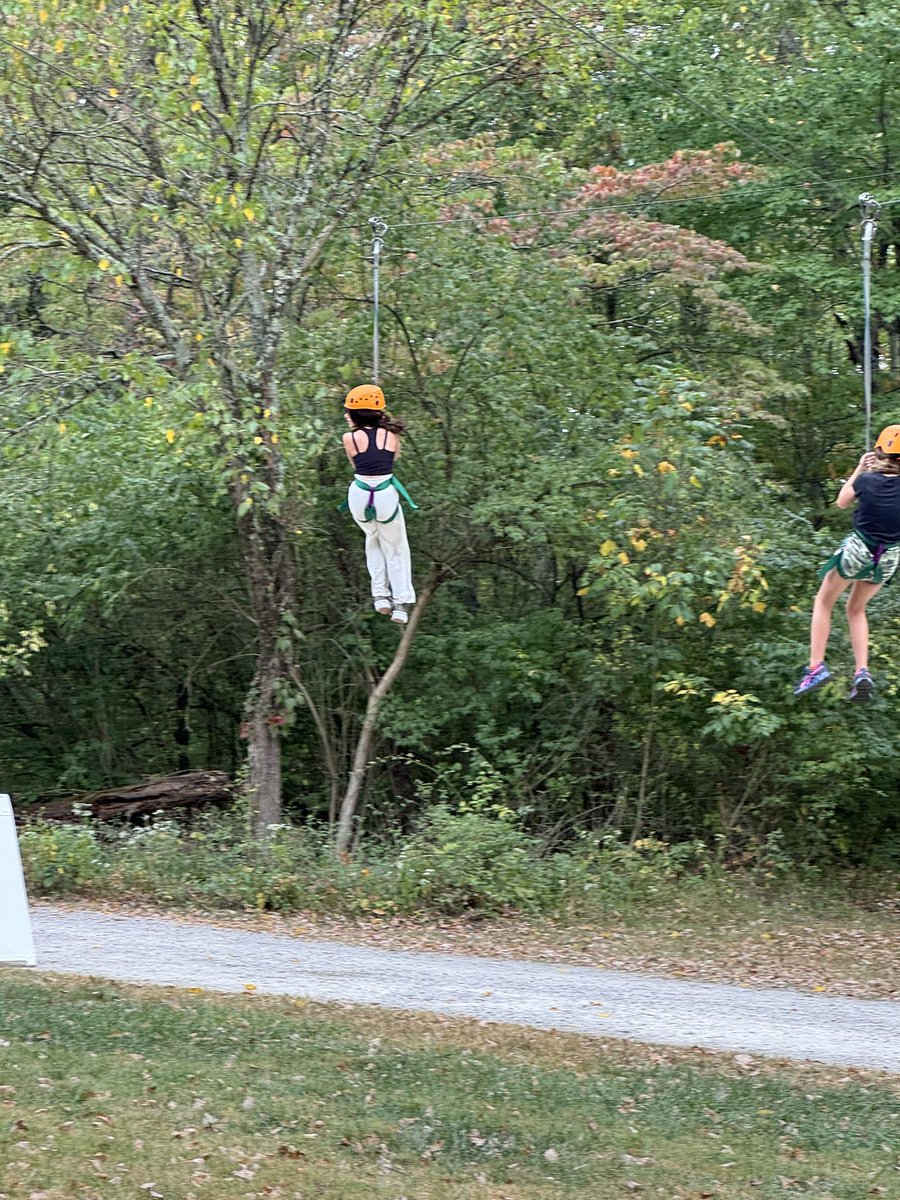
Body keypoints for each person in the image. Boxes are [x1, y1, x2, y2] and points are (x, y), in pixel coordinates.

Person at [794, 425, 900, 701]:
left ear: (878, 453)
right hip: (888, 557)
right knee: (856, 609)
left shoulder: (866, 481)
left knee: (824, 601)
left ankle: (815, 666)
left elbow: (842, 502)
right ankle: (862, 671)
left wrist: (860, 469)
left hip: (859, 549)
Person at [341, 384, 416, 625]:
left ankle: (380, 596)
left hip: (360, 494)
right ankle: (400, 603)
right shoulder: (392, 436)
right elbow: (392, 459)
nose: (345, 415)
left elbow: (357, 466)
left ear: (357, 413)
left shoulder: (349, 438)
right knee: (395, 547)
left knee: (372, 540)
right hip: (385, 493)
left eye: (348, 411)